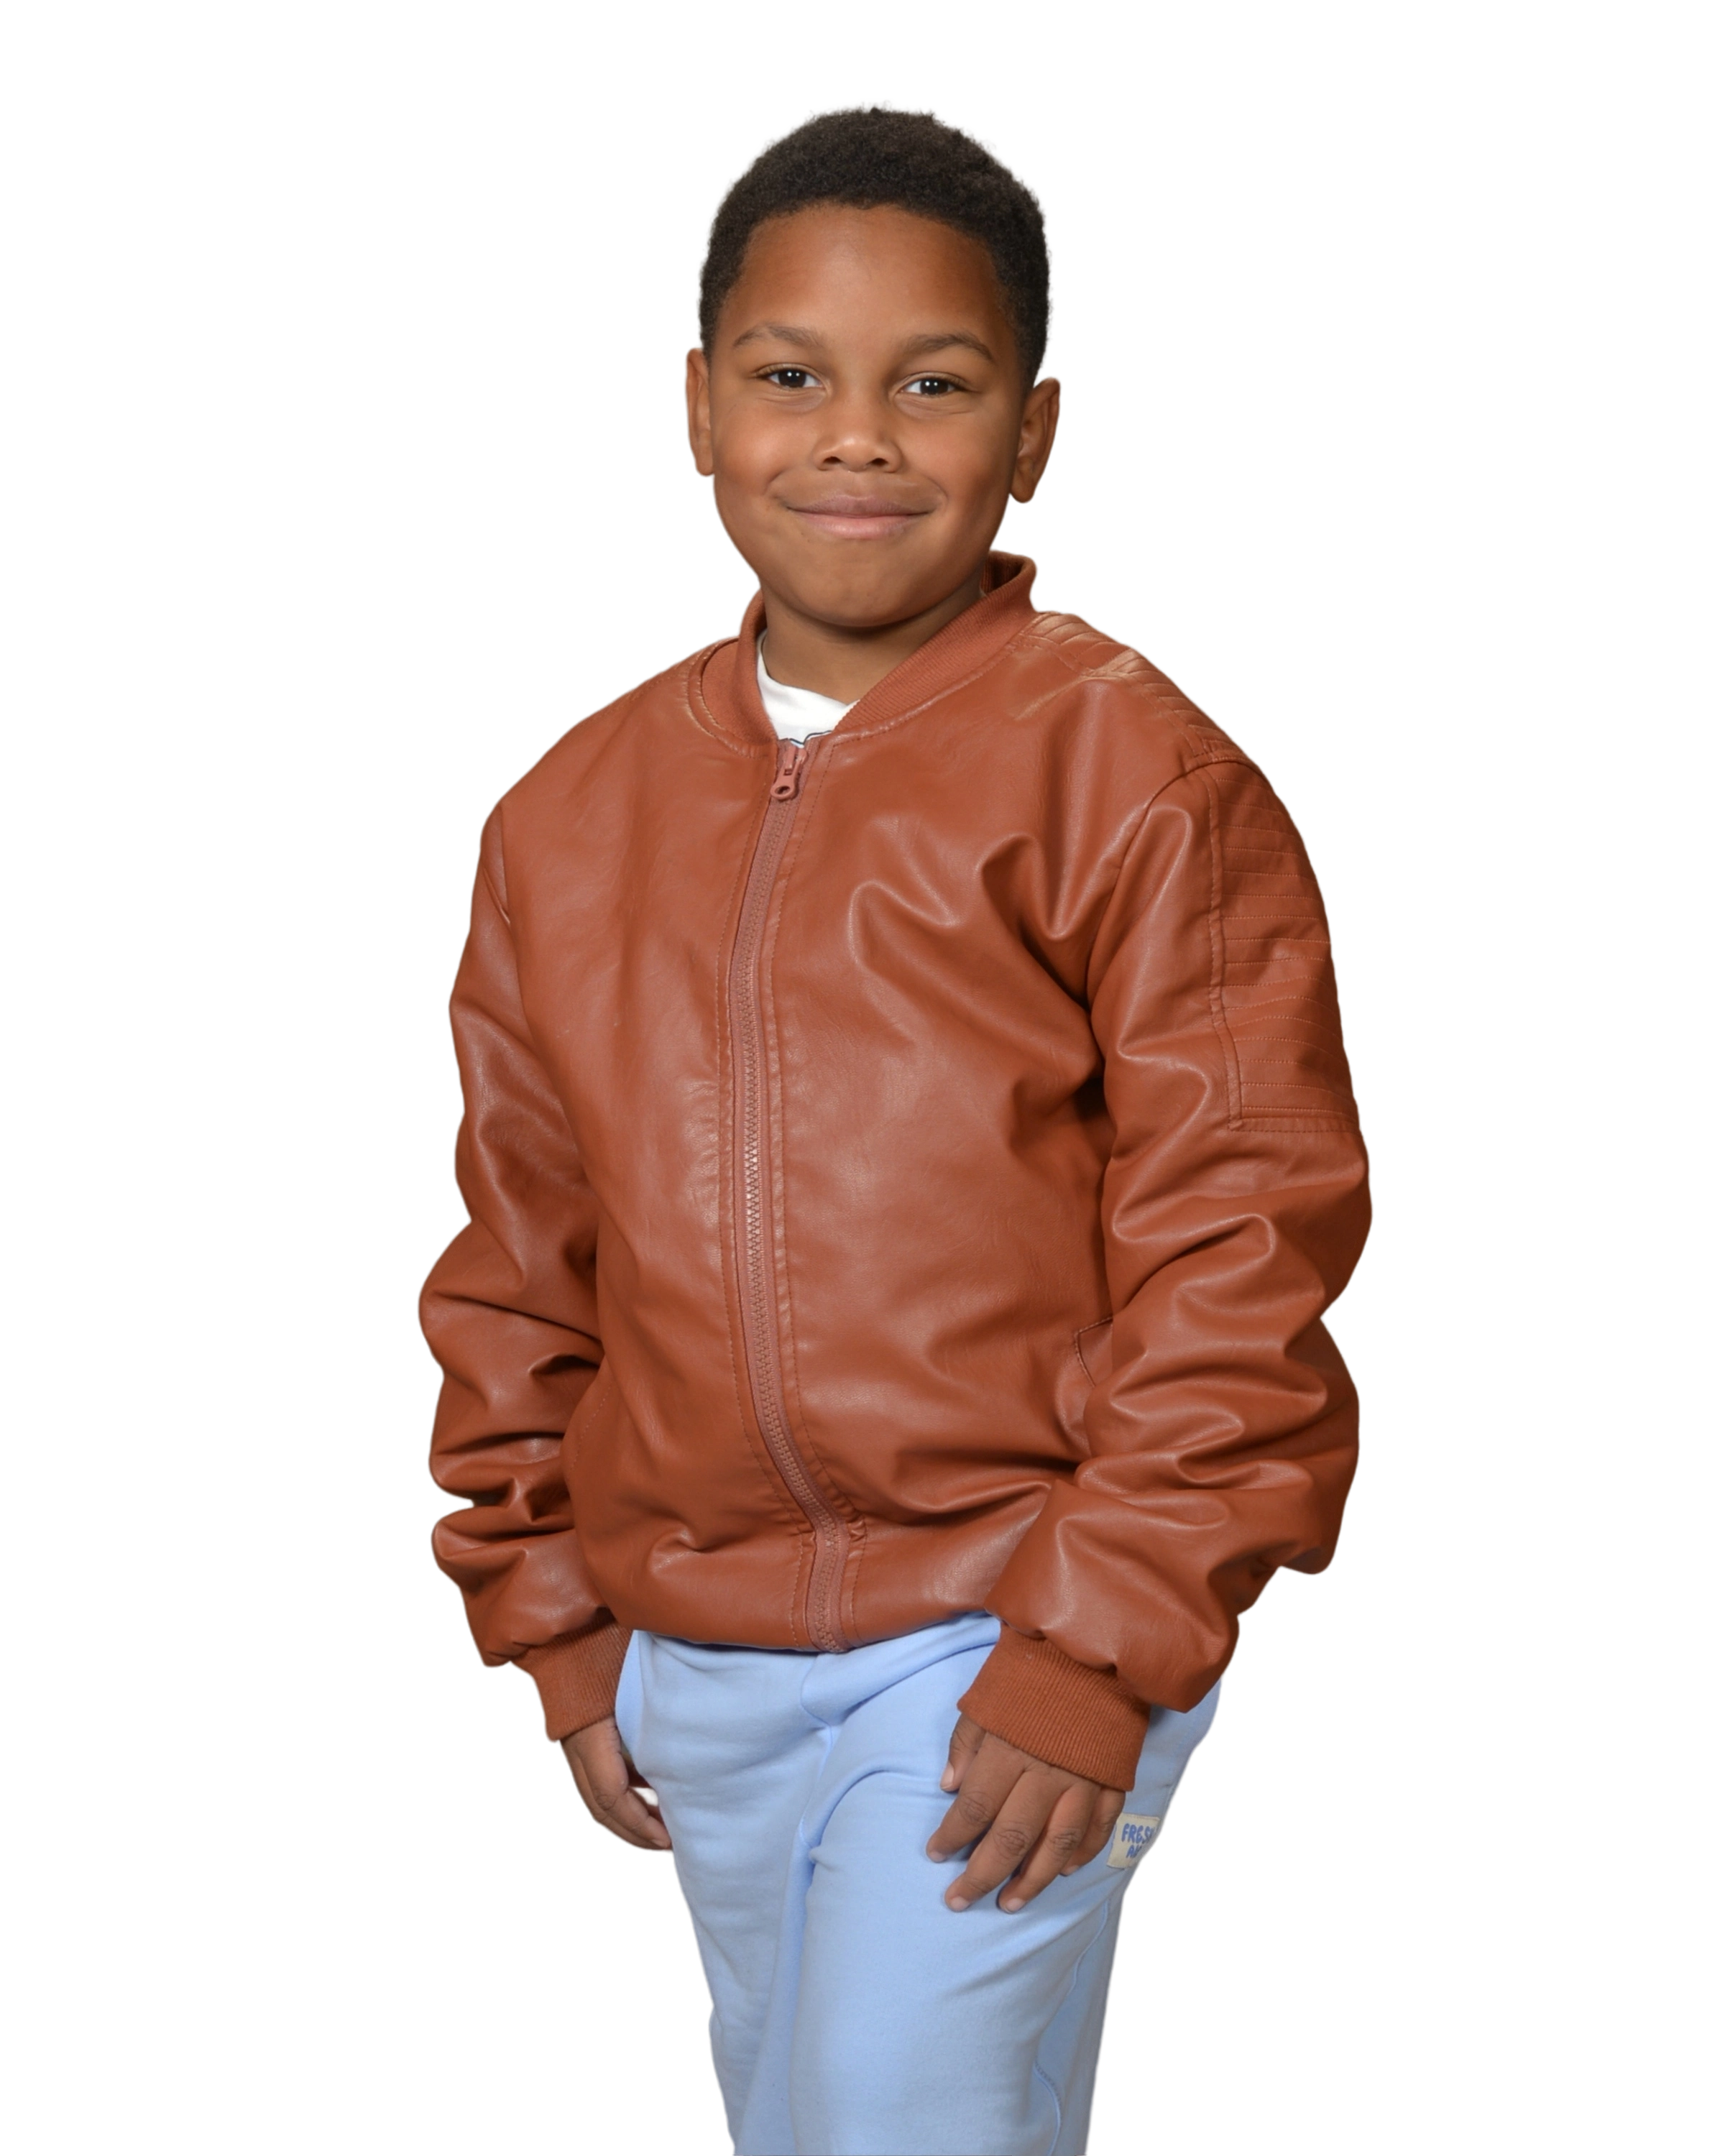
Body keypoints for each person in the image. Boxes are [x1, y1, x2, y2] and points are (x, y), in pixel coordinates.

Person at [415, 96, 1374, 2156]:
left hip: (1013, 1618)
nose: (857, 438)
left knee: (889, 2127)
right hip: (695, 1649)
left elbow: (1244, 1241)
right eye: (792, 378)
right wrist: (558, 1624)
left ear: (1037, 429)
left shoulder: (1138, 781)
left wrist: (1095, 1651)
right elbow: (521, 1260)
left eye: (934, 384)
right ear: (697, 405)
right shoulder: (564, 819)